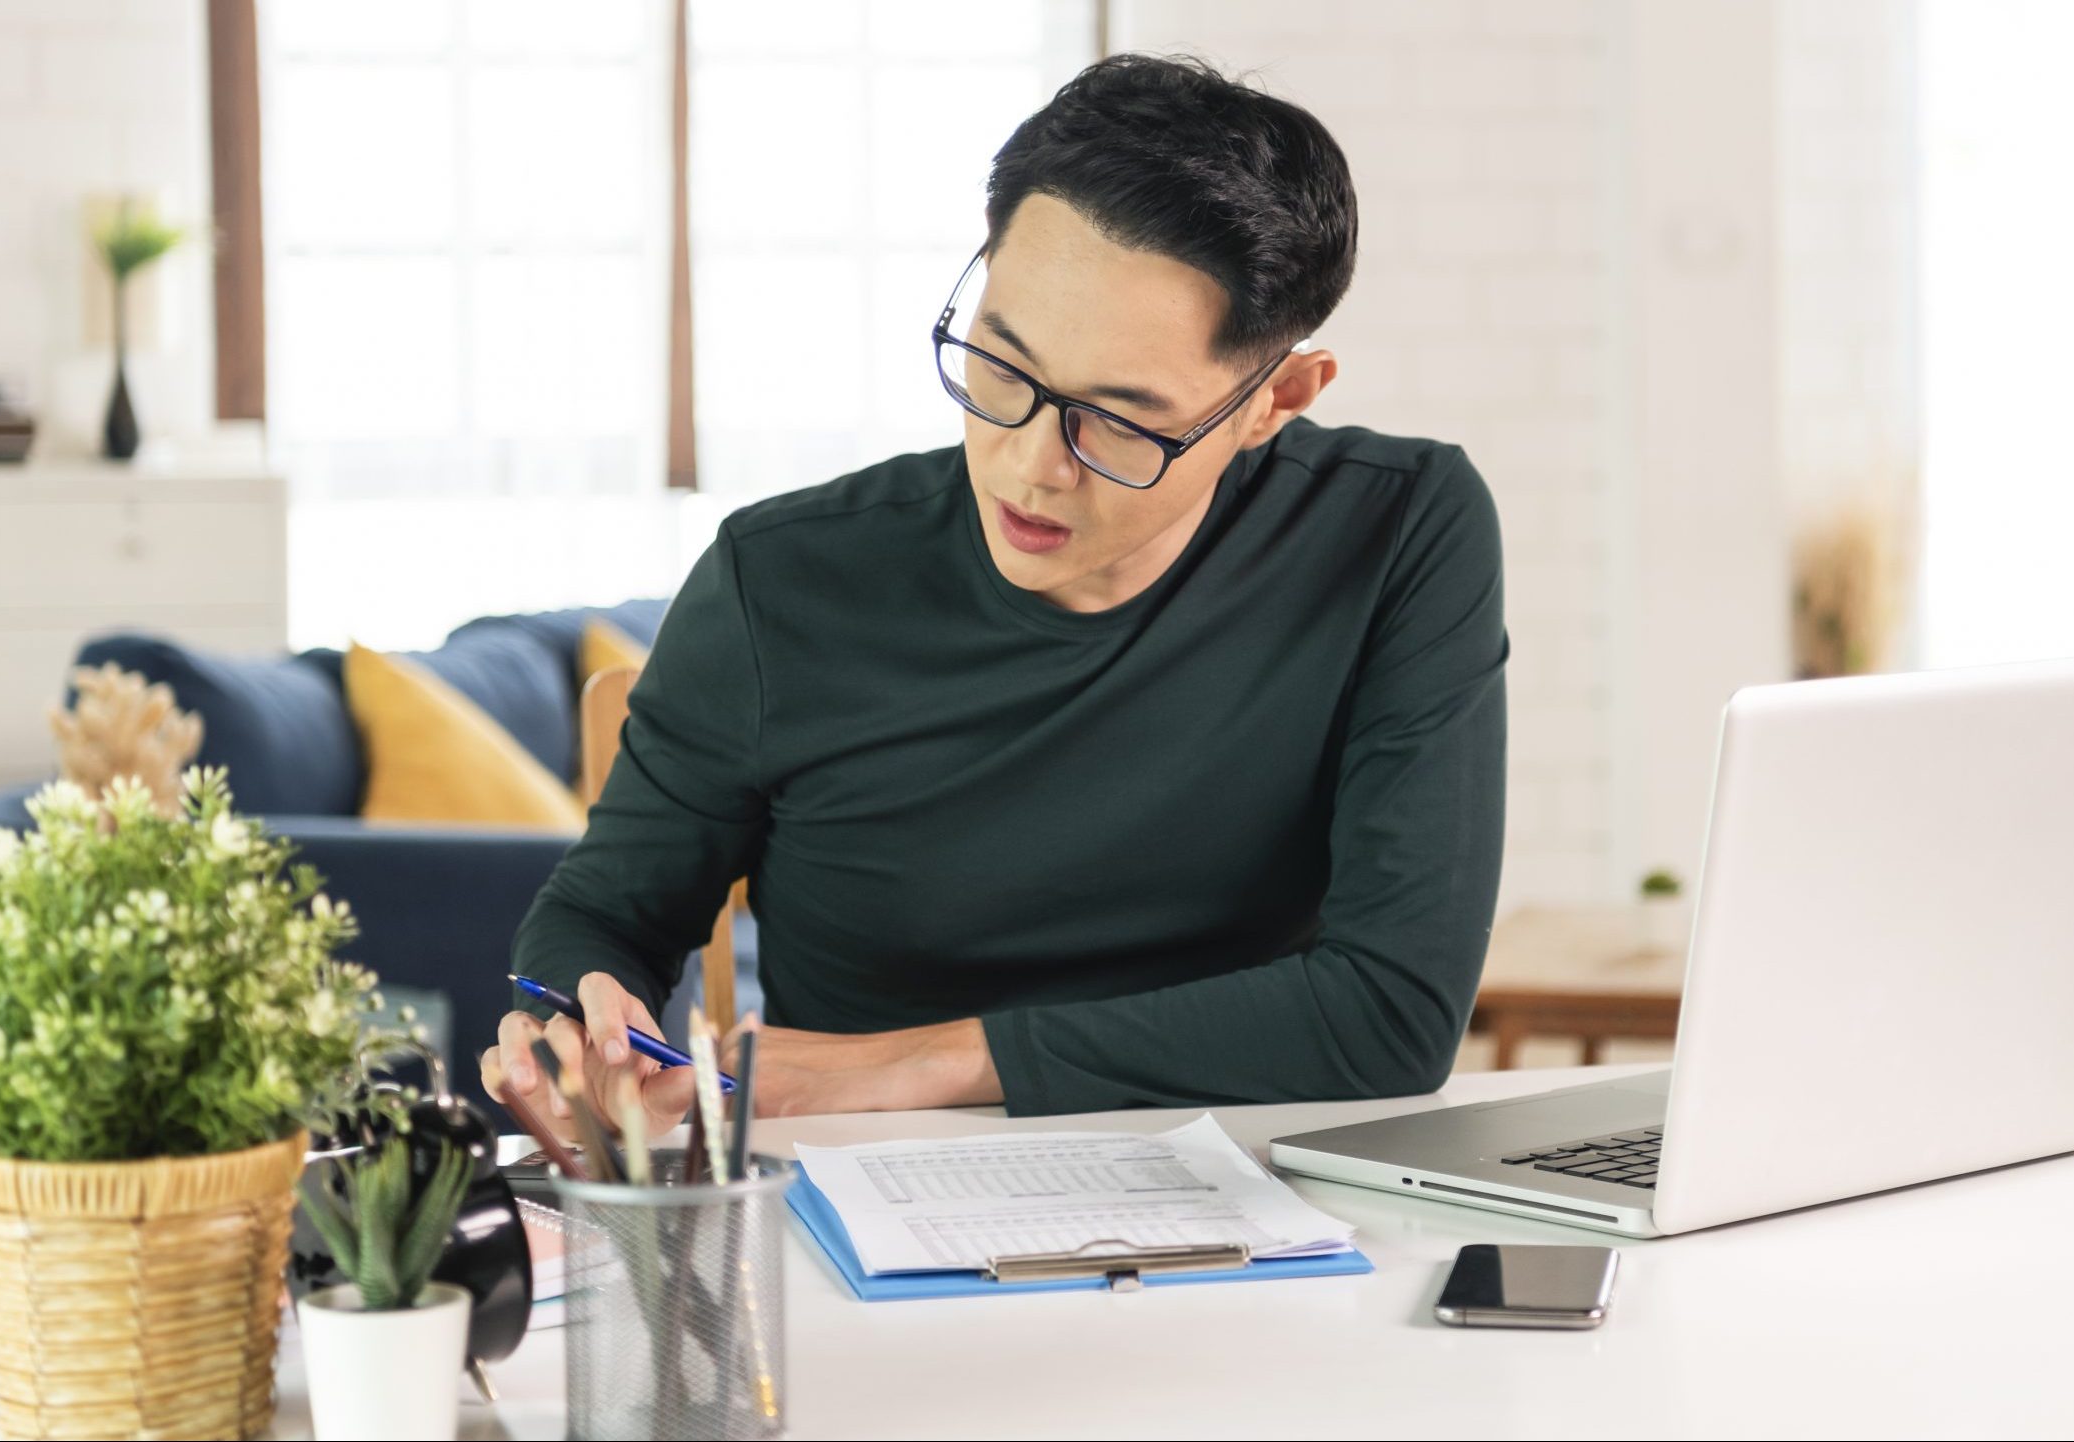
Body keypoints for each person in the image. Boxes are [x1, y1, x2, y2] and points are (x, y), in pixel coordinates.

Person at [483, 53, 1506, 1138]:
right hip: (861, 1197)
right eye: (1000, 365)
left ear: (1273, 402)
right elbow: (600, 917)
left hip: (1248, 1193)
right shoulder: (781, 579)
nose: (1031, 464)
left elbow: (1392, 1012)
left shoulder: (1395, 529)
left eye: (1119, 420)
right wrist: (578, 1030)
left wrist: (914, 1064)